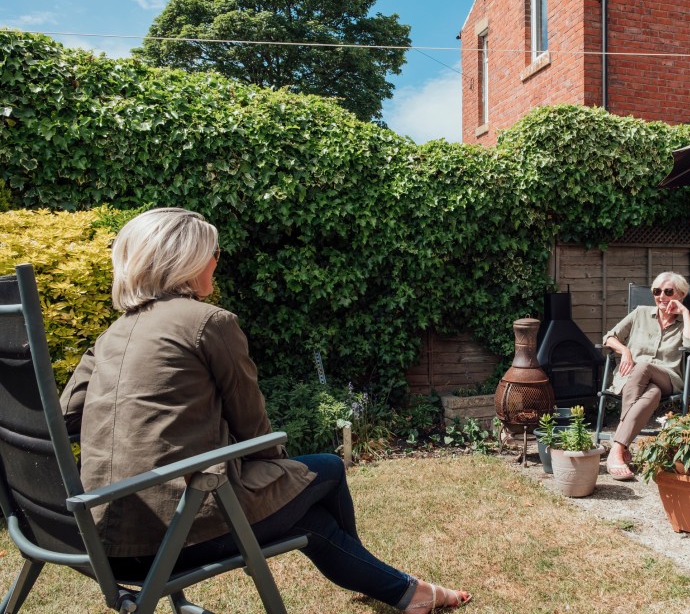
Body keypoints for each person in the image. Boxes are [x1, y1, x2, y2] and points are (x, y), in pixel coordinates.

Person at [59, 208, 469, 613]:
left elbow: (66, 419)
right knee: (327, 468)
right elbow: (254, 429)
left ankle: (397, 588)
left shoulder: (111, 335)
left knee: (311, 523)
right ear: (183, 259)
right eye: (212, 251)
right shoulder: (207, 323)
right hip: (176, 534)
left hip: (104, 546)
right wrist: (278, 482)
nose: (216, 260)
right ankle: (384, 578)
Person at [601, 272, 690, 480]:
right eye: (657, 291)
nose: (661, 296)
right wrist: (625, 351)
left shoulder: (688, 320)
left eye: (668, 291)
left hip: (668, 377)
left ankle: (616, 446)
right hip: (632, 379)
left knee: (644, 366)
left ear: (681, 294)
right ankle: (621, 448)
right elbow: (609, 337)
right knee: (652, 392)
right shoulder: (640, 313)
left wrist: (683, 312)